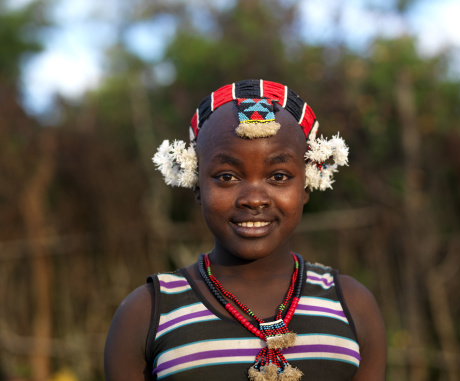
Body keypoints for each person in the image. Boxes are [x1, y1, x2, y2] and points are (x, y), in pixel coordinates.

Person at [104, 79, 386, 380]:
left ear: (307, 182)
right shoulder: (147, 314)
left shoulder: (352, 306)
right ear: (196, 184)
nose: (254, 198)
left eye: (278, 175)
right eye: (227, 176)